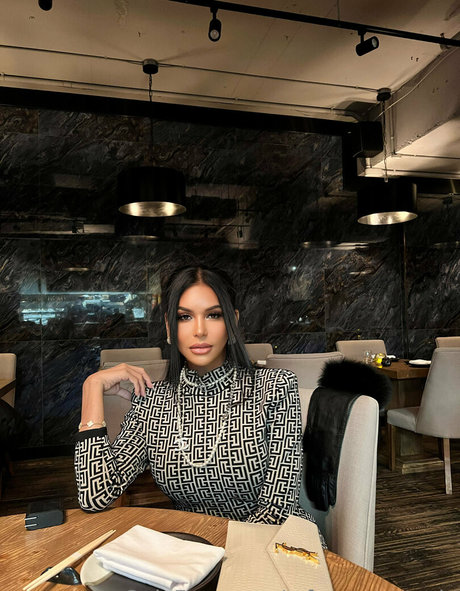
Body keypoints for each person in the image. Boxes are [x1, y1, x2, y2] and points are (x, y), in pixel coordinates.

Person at [75, 264, 317, 528]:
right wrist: (92, 386)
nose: (200, 330)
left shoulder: (275, 387)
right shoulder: (152, 400)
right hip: (195, 545)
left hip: (272, 541)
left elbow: (276, 510)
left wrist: (213, 549)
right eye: (184, 317)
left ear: (233, 322)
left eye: (213, 315)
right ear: (169, 327)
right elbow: (94, 496)